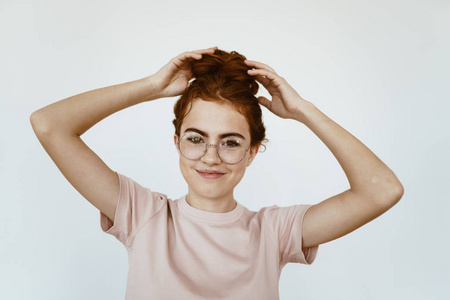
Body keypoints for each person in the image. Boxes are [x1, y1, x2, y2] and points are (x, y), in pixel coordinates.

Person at [30, 46, 404, 299]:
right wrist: (151, 86)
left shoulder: (274, 232)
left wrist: (303, 110)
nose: (211, 157)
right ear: (177, 142)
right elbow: (49, 124)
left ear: (252, 151)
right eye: (196, 139)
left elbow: (382, 190)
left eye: (230, 142)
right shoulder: (142, 213)